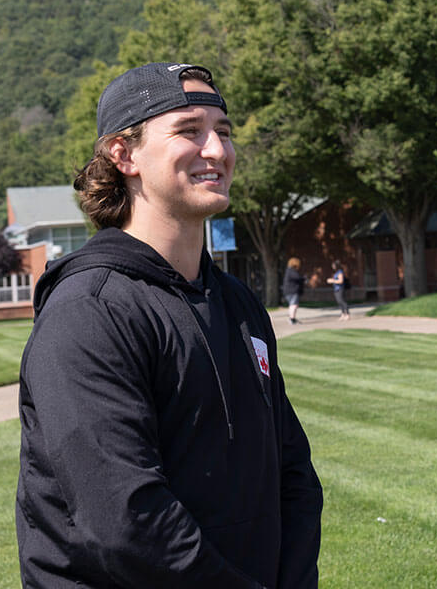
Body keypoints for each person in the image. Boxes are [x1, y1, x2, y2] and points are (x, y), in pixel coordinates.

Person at [16, 63, 322, 588]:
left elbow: (291, 474)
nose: (217, 151)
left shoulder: (237, 304)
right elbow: (126, 519)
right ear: (124, 154)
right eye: (188, 130)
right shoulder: (90, 310)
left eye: (223, 133)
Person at [283, 257, 304, 324]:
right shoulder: (291, 271)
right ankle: (292, 319)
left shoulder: (289, 270)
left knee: (292, 304)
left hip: (289, 291)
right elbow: (297, 278)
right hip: (292, 291)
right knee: (294, 305)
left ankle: (292, 318)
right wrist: (303, 278)